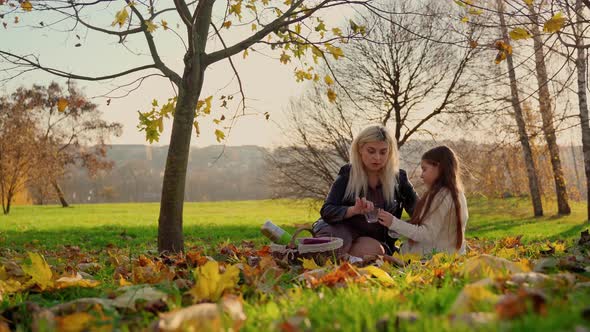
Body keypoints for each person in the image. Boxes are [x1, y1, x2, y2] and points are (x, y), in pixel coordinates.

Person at [313, 125, 418, 257]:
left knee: (375, 251)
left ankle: (342, 259)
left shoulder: (399, 179)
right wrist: (352, 210)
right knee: (340, 241)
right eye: (371, 151)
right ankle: (328, 257)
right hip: (341, 232)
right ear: (360, 149)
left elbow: (420, 213)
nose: (377, 158)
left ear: (390, 152)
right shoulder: (347, 175)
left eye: (383, 152)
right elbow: (327, 211)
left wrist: (398, 225)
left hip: (372, 241)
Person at [377, 146, 469, 256]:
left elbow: (426, 234)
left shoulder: (441, 196)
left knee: (377, 257)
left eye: (424, 169)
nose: (421, 175)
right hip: (452, 255)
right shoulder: (457, 194)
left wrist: (393, 222)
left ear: (438, 167)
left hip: (431, 258)